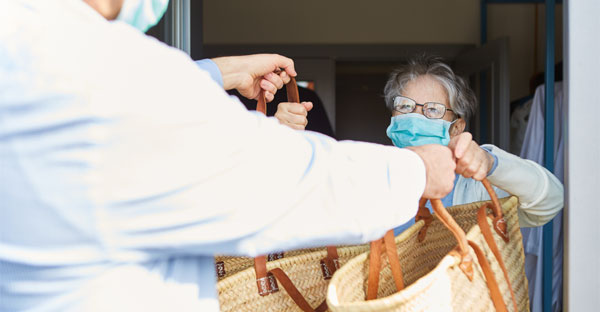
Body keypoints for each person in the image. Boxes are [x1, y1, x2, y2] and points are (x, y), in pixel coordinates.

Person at [0, 1, 458, 311]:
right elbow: (286, 184)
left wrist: (222, 72)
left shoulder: (24, 43)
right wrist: (416, 170)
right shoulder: (102, 70)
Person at [383, 55, 563, 236]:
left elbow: (549, 203)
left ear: (456, 128)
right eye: (405, 106)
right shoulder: (374, 175)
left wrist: (491, 163)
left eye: (433, 110)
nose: (416, 118)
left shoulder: (474, 187)